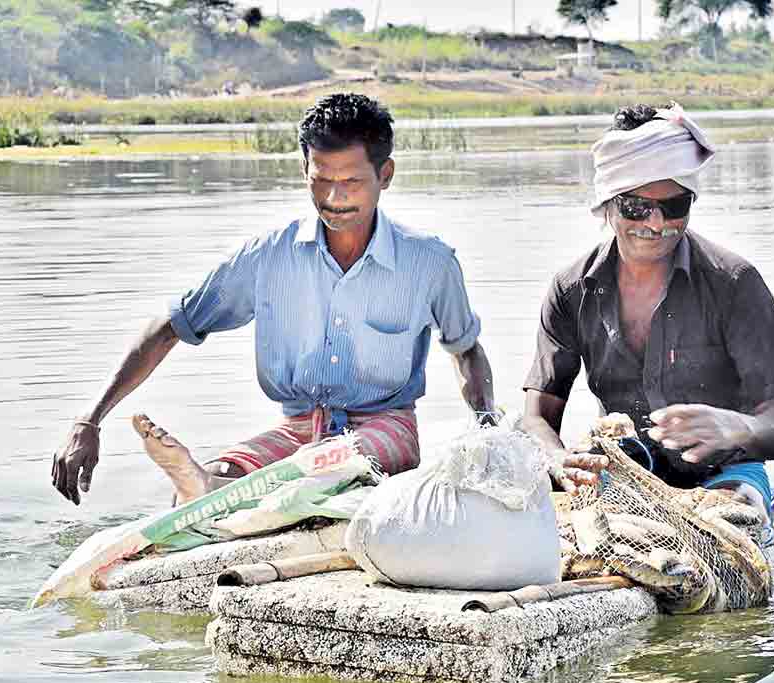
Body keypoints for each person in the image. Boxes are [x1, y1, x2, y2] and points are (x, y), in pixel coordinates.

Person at [51, 93, 495, 506]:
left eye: (352, 182)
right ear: (305, 171)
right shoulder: (267, 257)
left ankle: (215, 492)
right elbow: (171, 326)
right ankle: (213, 484)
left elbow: (466, 350)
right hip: (300, 427)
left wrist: (487, 430)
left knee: (343, 466)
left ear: (385, 175)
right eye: (321, 181)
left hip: (385, 428)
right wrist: (88, 420)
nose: (335, 198)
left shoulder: (429, 262)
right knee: (228, 473)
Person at [520, 102, 774, 516]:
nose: (656, 224)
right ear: (608, 204)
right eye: (637, 208)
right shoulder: (571, 290)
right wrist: (558, 462)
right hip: (624, 471)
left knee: (723, 527)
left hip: (724, 476)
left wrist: (736, 427)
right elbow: (537, 419)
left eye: (674, 207)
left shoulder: (734, 283)